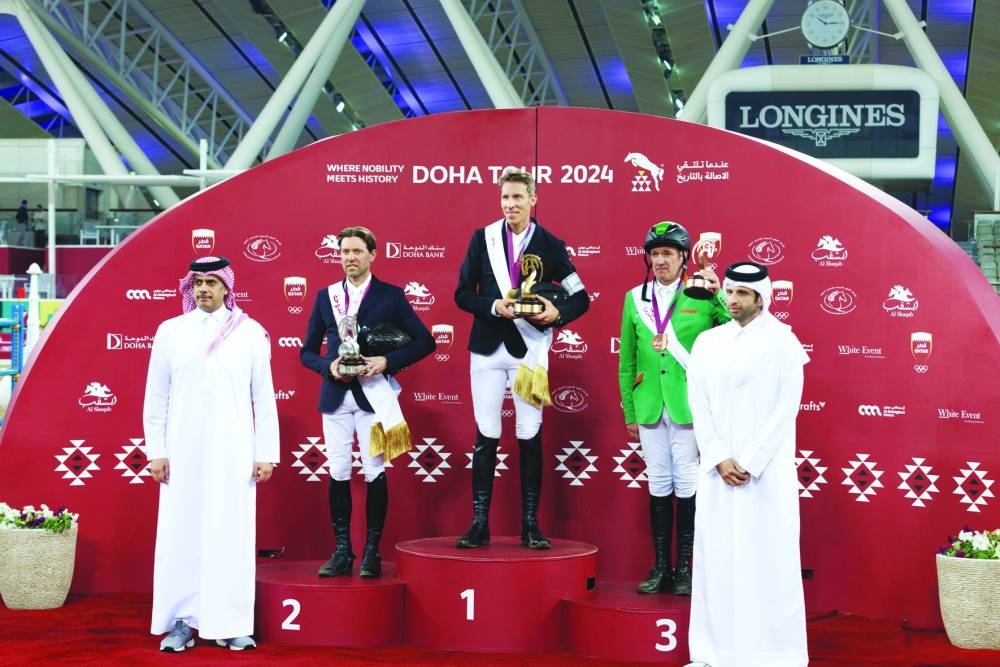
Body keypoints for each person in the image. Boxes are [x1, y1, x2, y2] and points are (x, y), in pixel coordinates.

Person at [144, 256, 279, 653]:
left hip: (234, 453)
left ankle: (230, 622)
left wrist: (265, 453)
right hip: (181, 454)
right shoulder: (170, 331)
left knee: (231, 535)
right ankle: (182, 621)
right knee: (181, 535)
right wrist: (157, 451)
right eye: (197, 282)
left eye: (211, 282)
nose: (203, 289)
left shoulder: (251, 333)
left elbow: (263, 398)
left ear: (226, 288)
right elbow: (157, 397)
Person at [454, 167, 589, 550]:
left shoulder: (550, 243)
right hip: (487, 349)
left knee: (529, 432)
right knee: (486, 433)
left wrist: (557, 315)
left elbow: (581, 297)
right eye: (504, 198)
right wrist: (495, 305)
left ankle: (530, 524)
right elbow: (462, 294)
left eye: (517, 197)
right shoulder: (483, 239)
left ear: (533, 199)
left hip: (530, 350)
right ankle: (479, 523)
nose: (510, 204)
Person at [684, 261, 810, 667]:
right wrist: (719, 456)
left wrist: (752, 462)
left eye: (742, 293)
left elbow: (784, 410)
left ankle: (775, 656)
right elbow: (698, 404)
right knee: (716, 559)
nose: (732, 300)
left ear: (762, 298)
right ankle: (710, 654)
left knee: (768, 560)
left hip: (765, 475)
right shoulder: (707, 342)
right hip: (718, 471)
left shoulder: (785, 343)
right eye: (730, 292)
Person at [300, 226, 433, 578]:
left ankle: (372, 551)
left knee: (375, 471)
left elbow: (425, 341)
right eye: (344, 252)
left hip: (374, 397)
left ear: (373, 254)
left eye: (357, 251)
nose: (349, 258)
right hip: (336, 397)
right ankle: (342, 550)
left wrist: (388, 362)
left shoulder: (390, 296)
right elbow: (306, 352)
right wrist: (327, 365)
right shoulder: (324, 296)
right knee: (339, 470)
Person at [618, 221, 728, 595]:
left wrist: (718, 293)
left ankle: (685, 568)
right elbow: (627, 362)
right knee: (658, 483)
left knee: (687, 483)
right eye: (655, 253)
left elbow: (734, 330)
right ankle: (661, 565)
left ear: (684, 258)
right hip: (649, 406)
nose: (660, 260)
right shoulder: (634, 298)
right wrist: (630, 412)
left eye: (668, 253)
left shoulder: (700, 294)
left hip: (688, 405)